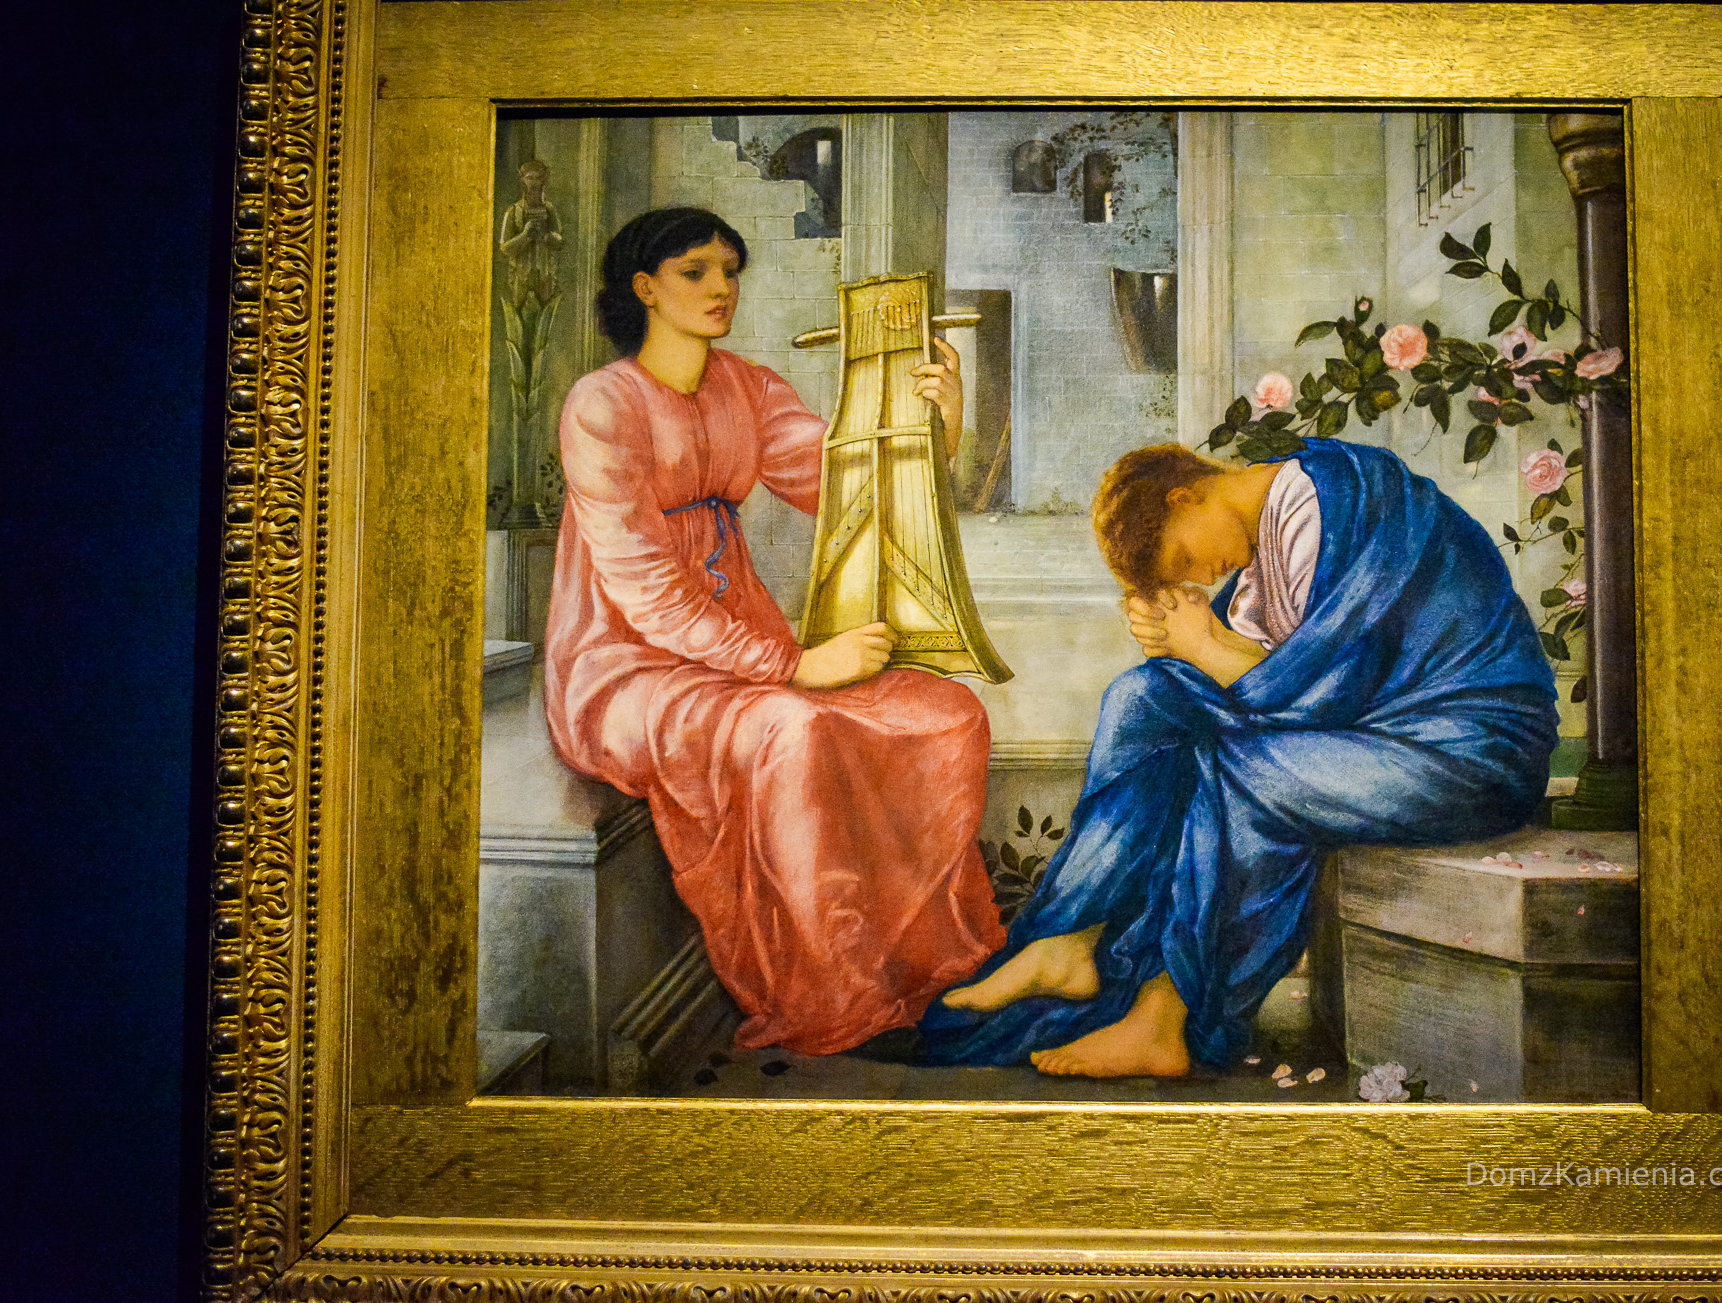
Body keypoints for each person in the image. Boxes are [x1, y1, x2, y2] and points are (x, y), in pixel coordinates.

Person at [920, 439, 1558, 1077]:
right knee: (1146, 697)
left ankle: (1165, 1017)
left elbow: (1320, 698)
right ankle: (1070, 936)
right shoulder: (1265, 549)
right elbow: (1262, 682)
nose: (1200, 578)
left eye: (1182, 558)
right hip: (1379, 739)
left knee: (1239, 769)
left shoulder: (1332, 502)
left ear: (1185, 496)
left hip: (1469, 751)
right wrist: (1184, 646)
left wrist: (1201, 645)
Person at [544, 206, 1003, 1056]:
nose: (721, 287)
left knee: (944, 713)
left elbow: (852, 482)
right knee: (792, 730)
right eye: (695, 272)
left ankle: (926, 963)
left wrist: (938, 423)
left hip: (744, 651)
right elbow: (644, 589)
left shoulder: (747, 389)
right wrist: (791, 665)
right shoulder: (601, 404)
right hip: (626, 667)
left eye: (730, 270)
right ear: (645, 288)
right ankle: (837, 998)